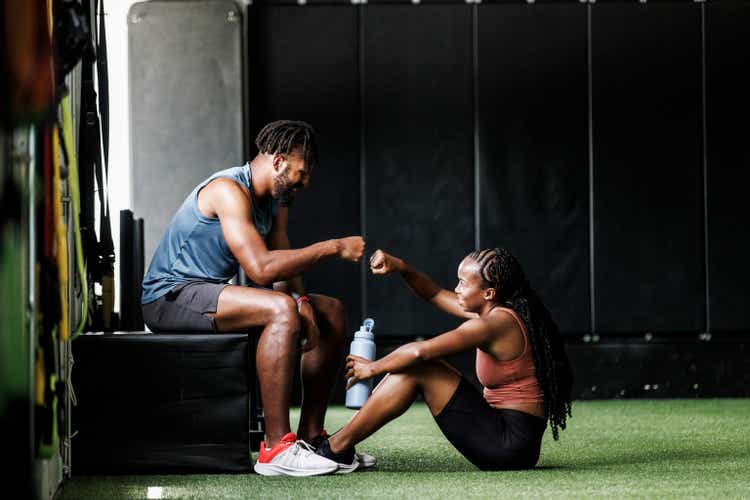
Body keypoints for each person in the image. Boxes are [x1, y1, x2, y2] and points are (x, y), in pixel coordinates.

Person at [140, 120, 371, 476]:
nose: (305, 182)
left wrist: (304, 303)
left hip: (212, 295)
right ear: (278, 162)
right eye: (302, 172)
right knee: (280, 308)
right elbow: (261, 268)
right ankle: (276, 449)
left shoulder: (276, 201)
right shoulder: (227, 190)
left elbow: (281, 259)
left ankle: (311, 438)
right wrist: (334, 247)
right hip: (170, 296)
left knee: (331, 312)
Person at [315, 247, 573, 471]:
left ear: (489, 294)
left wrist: (372, 368)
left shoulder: (496, 324)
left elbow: (420, 351)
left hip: (510, 443)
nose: (457, 288)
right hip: (510, 437)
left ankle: (334, 450)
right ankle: (339, 447)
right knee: (419, 367)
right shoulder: (494, 314)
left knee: (421, 368)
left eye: (464, 283)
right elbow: (435, 293)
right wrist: (401, 267)